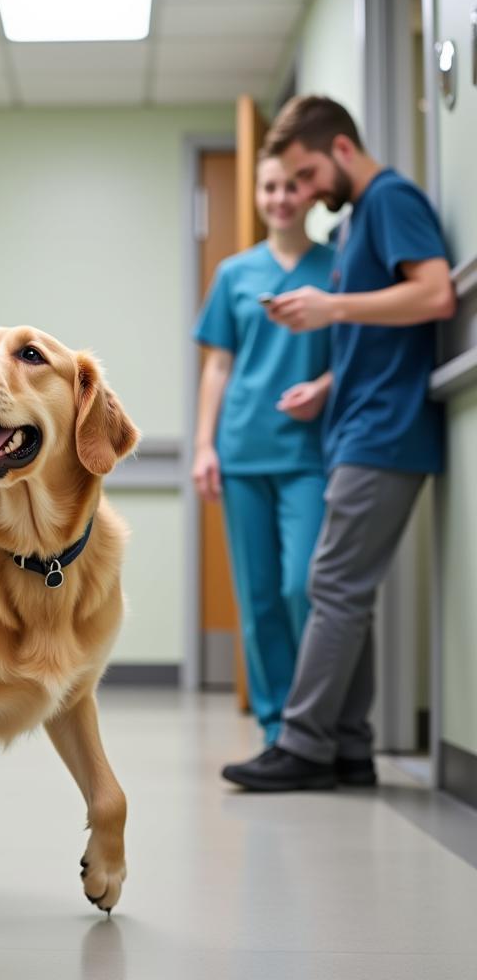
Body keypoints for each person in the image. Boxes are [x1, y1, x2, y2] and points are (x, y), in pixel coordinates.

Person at [221, 95, 455, 792]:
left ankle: (303, 743)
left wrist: (331, 307)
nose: (306, 192)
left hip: (385, 427)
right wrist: (327, 383)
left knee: (327, 584)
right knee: (345, 589)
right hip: (355, 418)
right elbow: (379, 327)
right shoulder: (358, 221)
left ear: (342, 151)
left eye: (310, 174)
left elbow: (437, 294)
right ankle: (350, 745)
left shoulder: (388, 200)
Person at [193, 155, 333, 747]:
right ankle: (278, 730)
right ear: (257, 194)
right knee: (258, 598)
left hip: (309, 452)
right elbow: (219, 365)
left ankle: (317, 721)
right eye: (270, 186)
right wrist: (204, 444)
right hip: (243, 449)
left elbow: (356, 351)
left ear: (310, 193)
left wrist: (325, 389)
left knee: (303, 586)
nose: (281, 197)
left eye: (293, 186)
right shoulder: (235, 274)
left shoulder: (337, 267)